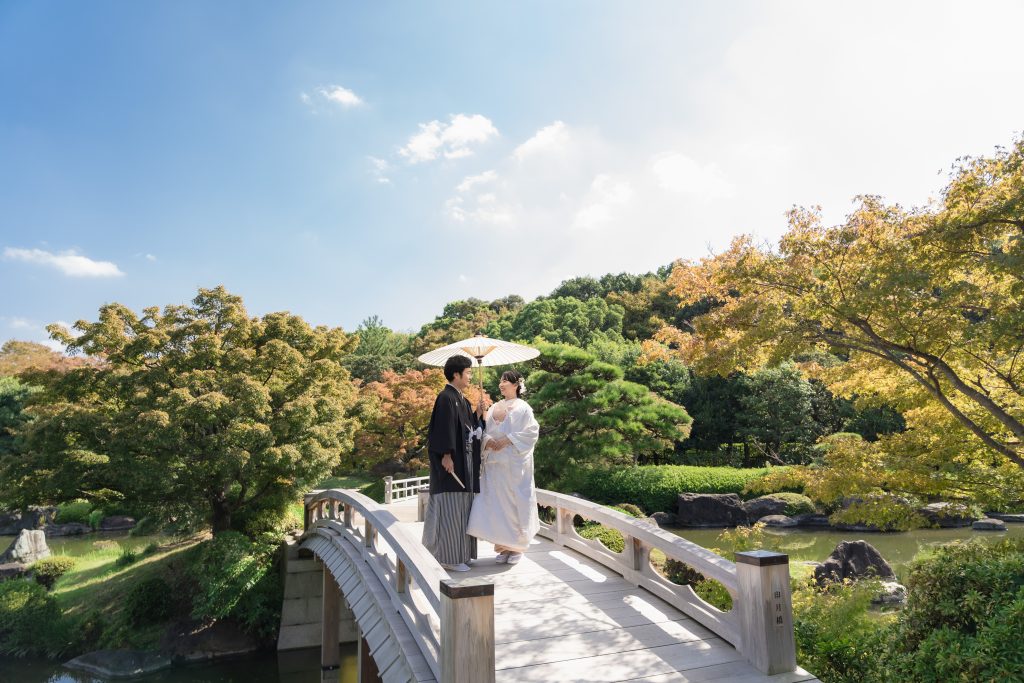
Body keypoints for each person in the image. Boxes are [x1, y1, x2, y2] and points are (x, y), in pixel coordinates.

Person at [467, 370, 540, 565]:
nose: (502, 383)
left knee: (515, 504)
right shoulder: (493, 407)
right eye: (501, 380)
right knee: (497, 505)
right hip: (495, 465)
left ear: (517, 384)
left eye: (506, 380)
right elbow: (485, 430)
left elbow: (532, 433)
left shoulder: (524, 408)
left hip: (514, 465)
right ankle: (503, 546)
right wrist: (488, 440)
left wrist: (508, 440)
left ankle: (517, 547)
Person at [422, 355, 483, 572]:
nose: (470, 377)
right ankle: (447, 558)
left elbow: (469, 428)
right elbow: (443, 429)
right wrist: (446, 455)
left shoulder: (462, 399)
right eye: (467, 373)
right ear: (456, 374)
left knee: (462, 510)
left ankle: (461, 554)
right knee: (450, 510)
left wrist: (477, 413)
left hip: (464, 464)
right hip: (451, 465)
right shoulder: (445, 397)